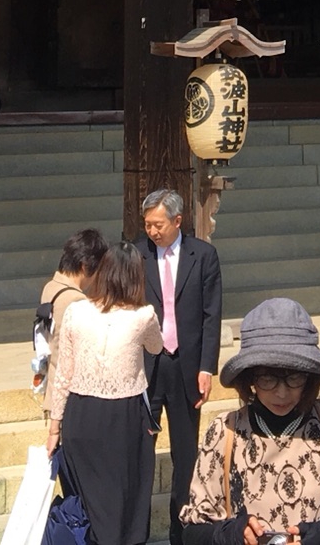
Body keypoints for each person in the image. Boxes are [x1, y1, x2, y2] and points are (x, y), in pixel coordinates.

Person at [180, 298, 320, 545]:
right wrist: (230, 533)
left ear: (310, 377)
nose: (282, 393)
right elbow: (192, 530)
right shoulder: (225, 431)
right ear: (250, 376)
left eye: (295, 377)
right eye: (267, 379)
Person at [47, 242, 162, 545]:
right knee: (125, 500)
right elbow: (156, 347)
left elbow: (63, 374)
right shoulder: (144, 315)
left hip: (80, 416)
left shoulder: (76, 311)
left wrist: (54, 427)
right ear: (137, 276)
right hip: (123, 418)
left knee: (88, 502)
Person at [137, 188, 225, 545]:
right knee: (140, 451)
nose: (153, 232)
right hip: (146, 366)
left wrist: (207, 367)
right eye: (147, 225)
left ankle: (182, 530)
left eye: (159, 225)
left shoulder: (202, 256)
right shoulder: (135, 255)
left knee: (186, 454)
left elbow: (211, 315)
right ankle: (135, 530)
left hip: (187, 365)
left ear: (177, 220)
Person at [34, 227, 108, 392]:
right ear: (85, 266)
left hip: (52, 385)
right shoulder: (76, 300)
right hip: (69, 389)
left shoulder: (51, 287)